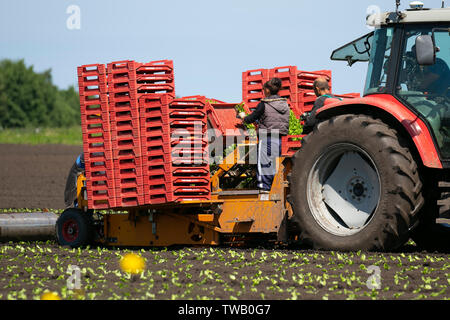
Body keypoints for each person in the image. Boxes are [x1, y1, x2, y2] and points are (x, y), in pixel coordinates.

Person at [239, 78, 289, 192]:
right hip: (281, 138)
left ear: (267, 90)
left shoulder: (264, 104)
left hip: (267, 137)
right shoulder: (284, 104)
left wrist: (243, 117)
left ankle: (265, 188)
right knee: (276, 163)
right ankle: (275, 187)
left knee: (264, 163)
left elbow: (251, 118)